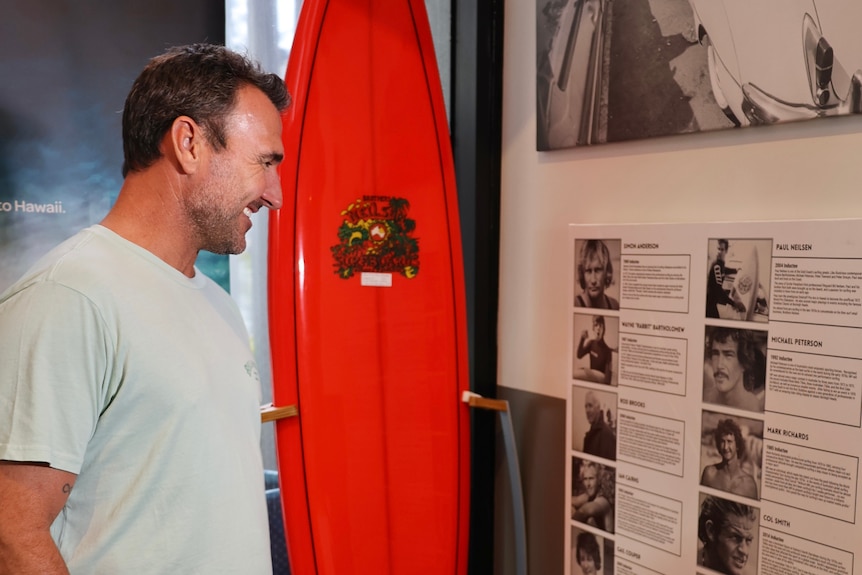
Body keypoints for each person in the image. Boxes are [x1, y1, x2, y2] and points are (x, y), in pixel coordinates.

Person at [0, 44, 289, 573]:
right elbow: (12, 533)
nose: (275, 194)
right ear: (188, 143)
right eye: (264, 162)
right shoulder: (70, 296)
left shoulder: (218, 302)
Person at [703, 327, 765, 412]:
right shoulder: (704, 399)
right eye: (715, 354)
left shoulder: (756, 411)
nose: (719, 365)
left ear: (744, 363)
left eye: (728, 355)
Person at [698, 495, 757, 575]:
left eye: (748, 540)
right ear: (711, 531)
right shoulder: (688, 561)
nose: (744, 551)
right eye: (735, 537)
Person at [701, 419, 758, 499]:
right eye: (722, 441)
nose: (725, 447)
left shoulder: (749, 484)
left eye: (729, 441)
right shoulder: (710, 474)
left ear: (737, 445)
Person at [706, 239, 745, 318]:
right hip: (709, 303)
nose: (719, 252)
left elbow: (724, 270)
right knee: (715, 327)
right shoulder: (717, 265)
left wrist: (736, 270)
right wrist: (734, 303)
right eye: (718, 249)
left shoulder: (720, 264)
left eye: (722, 249)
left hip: (712, 302)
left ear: (726, 251)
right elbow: (719, 291)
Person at [571, 460, 614, 533]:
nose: (588, 484)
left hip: (607, 543)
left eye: (591, 478)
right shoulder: (589, 495)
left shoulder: (603, 500)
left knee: (589, 520)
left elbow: (584, 511)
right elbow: (575, 500)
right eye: (585, 479)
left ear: (599, 479)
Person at [576, 240, 620, 309]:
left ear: (606, 272)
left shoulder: (615, 305)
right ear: (582, 274)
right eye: (588, 271)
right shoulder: (576, 304)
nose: (593, 280)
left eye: (598, 270)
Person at [575, 315, 616, 384]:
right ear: (593, 328)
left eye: (601, 326)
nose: (598, 328)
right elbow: (579, 355)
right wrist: (582, 339)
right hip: (591, 379)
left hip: (600, 381)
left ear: (604, 330)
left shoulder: (608, 352)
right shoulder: (591, 343)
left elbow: (607, 380)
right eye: (596, 325)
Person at [582, 391, 616, 460]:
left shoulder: (607, 435)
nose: (587, 410)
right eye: (586, 406)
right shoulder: (589, 436)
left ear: (598, 408)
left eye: (590, 406)